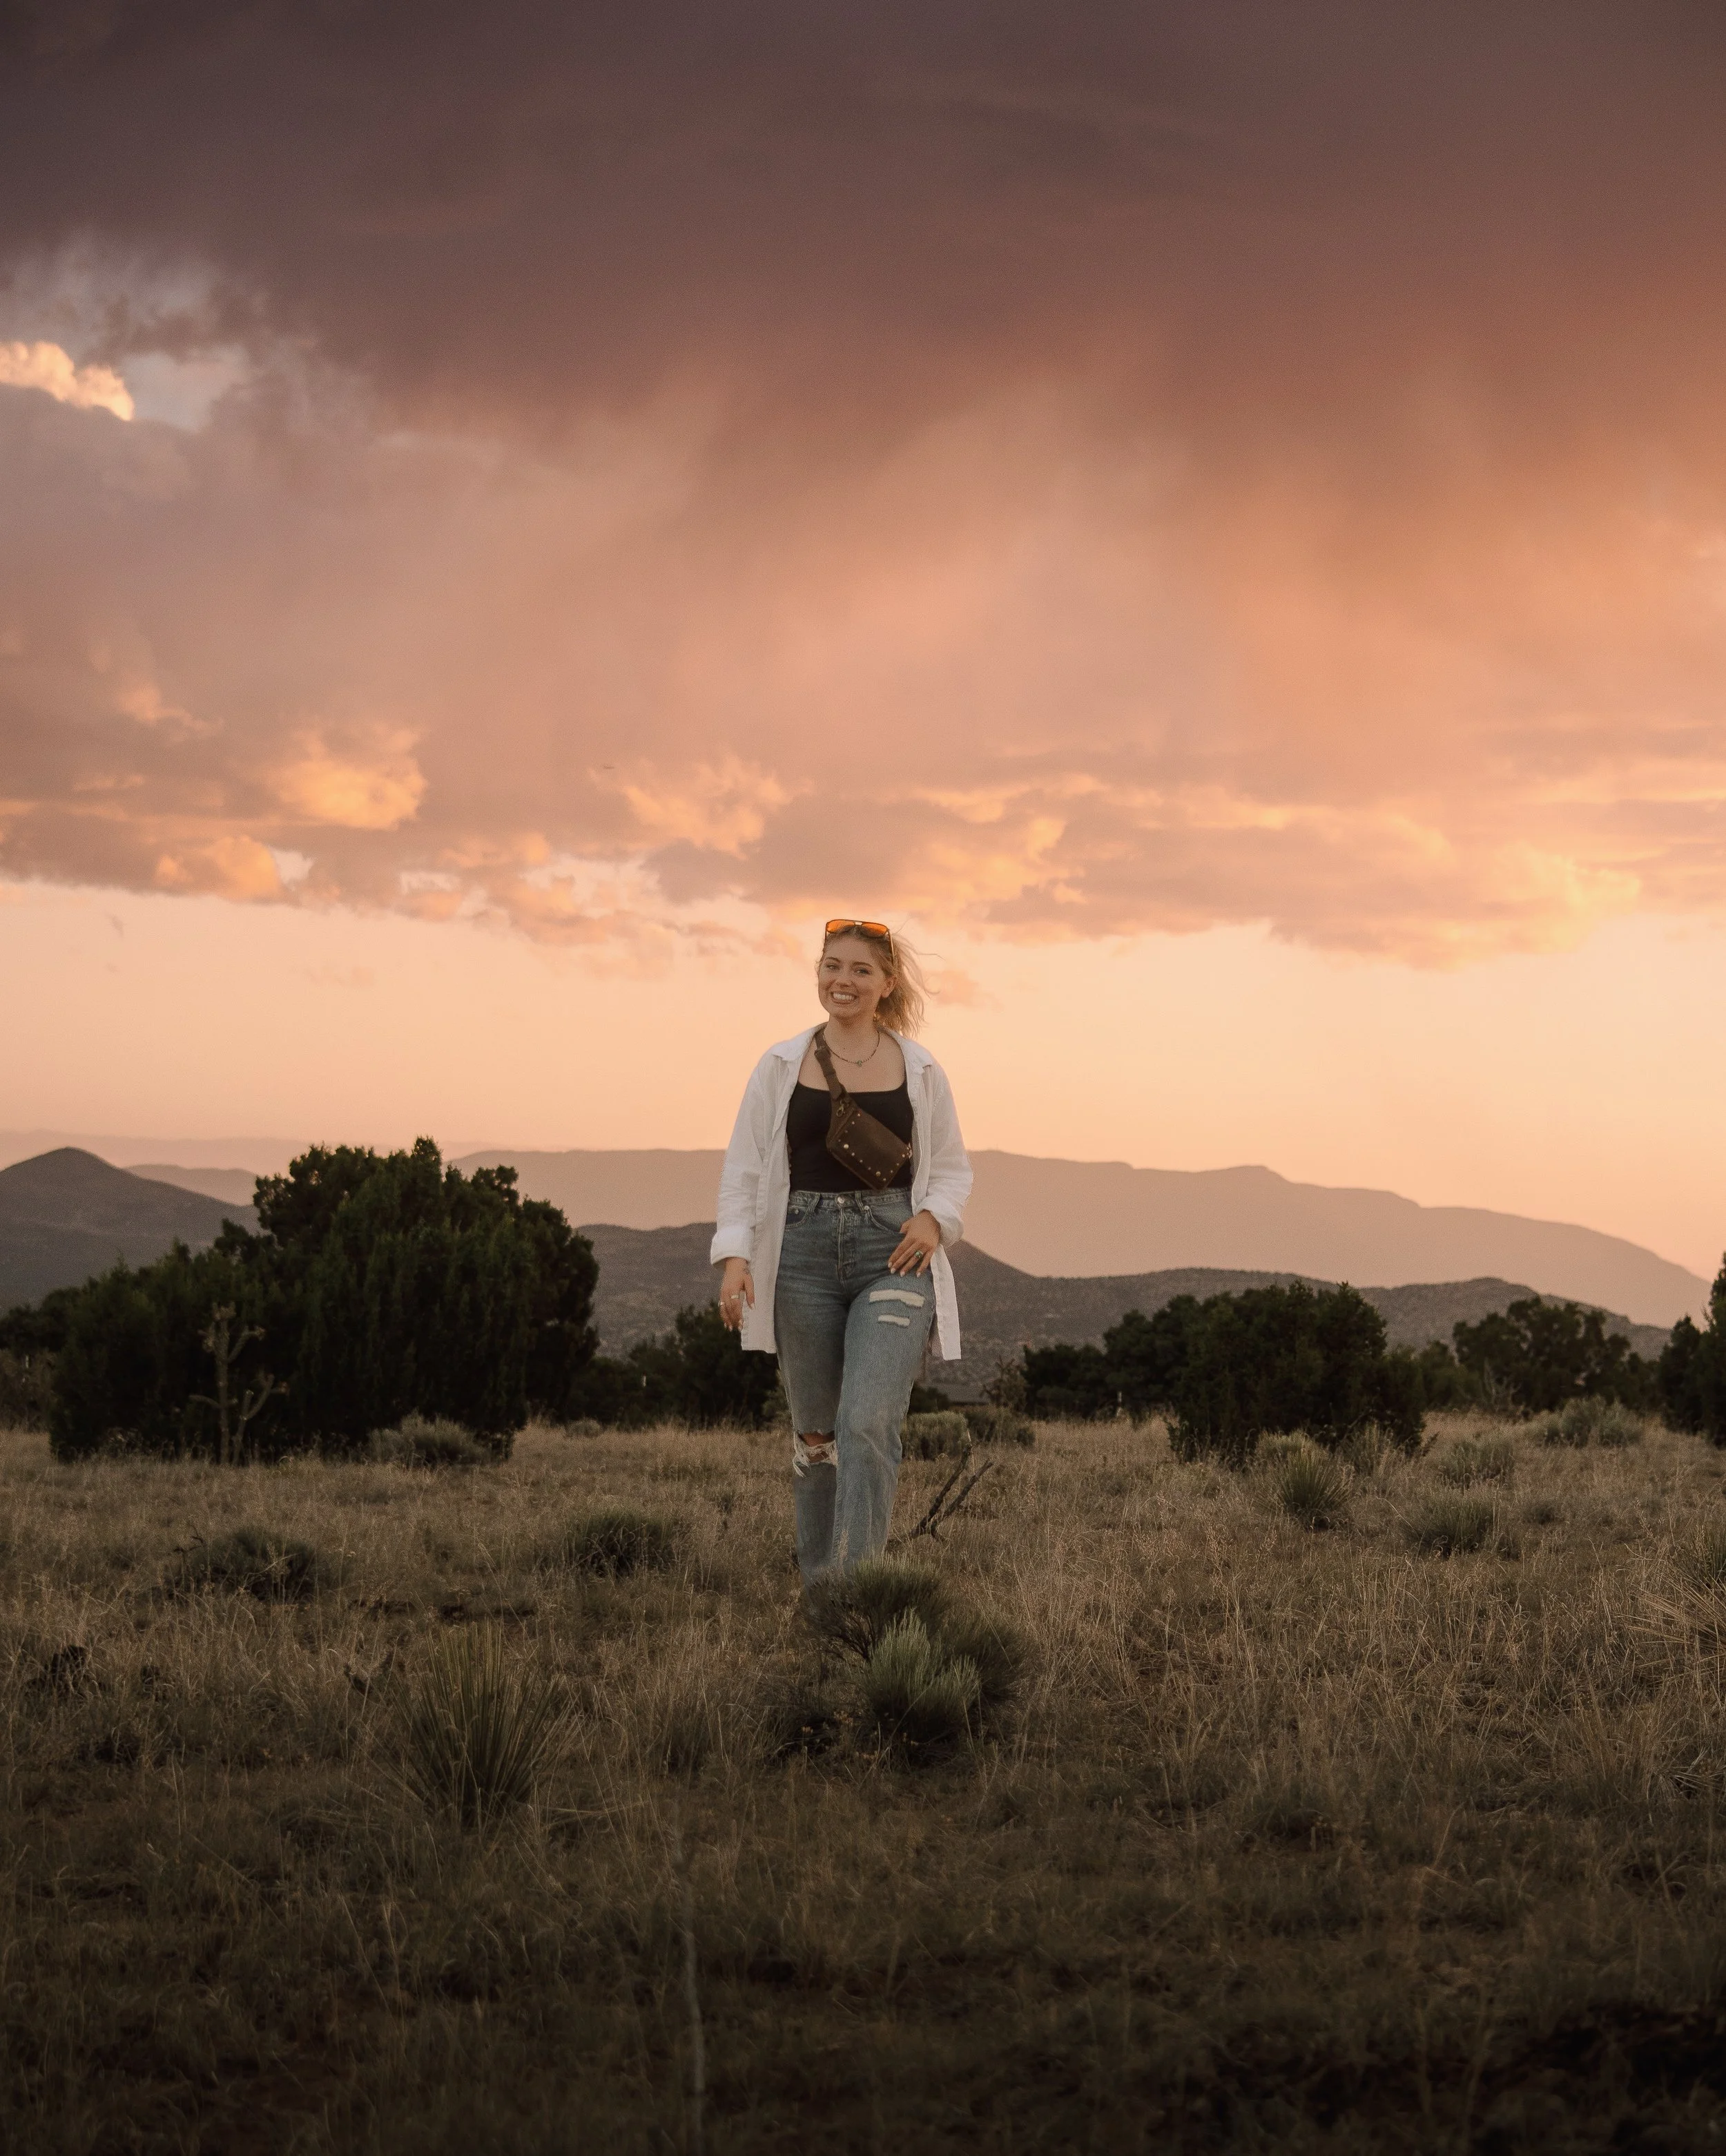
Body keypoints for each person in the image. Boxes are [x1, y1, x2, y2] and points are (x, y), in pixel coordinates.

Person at [712, 921, 973, 1581]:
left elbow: (951, 1169)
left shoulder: (919, 1068)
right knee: (818, 1436)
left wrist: (932, 1220)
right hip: (799, 1254)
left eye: (860, 970)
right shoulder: (779, 1064)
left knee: (866, 1422)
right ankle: (822, 1598)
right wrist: (737, 1258)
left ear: (887, 985)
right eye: (833, 966)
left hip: (893, 1252)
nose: (843, 981)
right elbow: (746, 1169)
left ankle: (861, 1592)